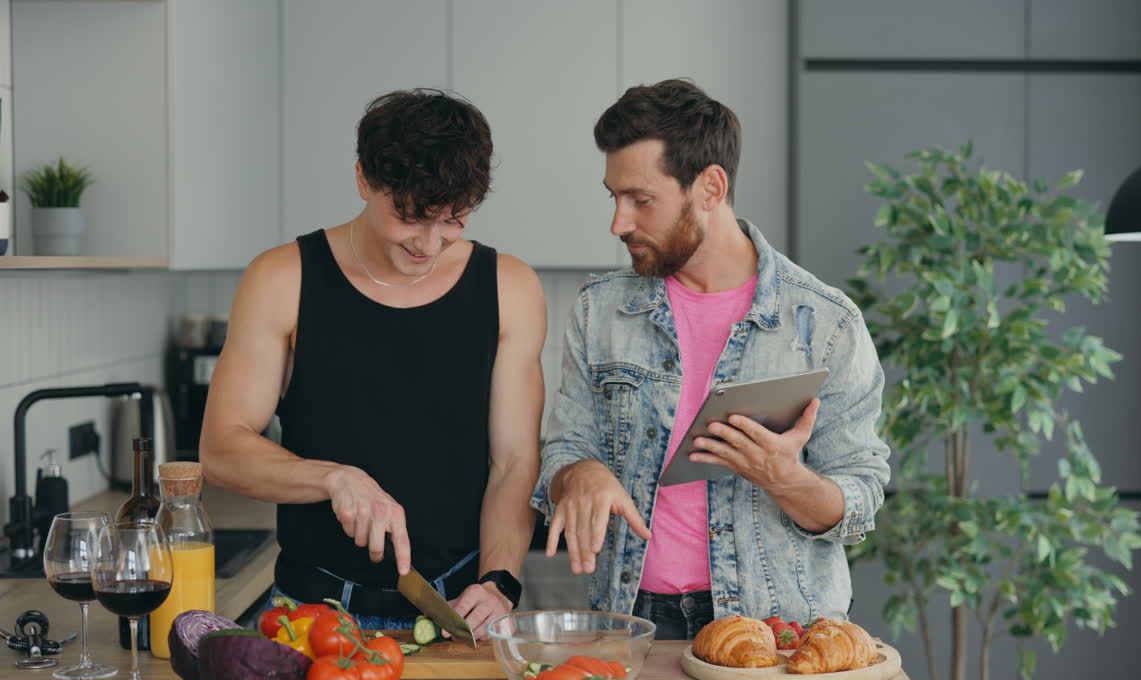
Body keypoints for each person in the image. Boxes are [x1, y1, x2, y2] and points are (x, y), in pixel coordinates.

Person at [531, 79, 890, 640]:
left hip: (775, 628)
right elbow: (564, 451)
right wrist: (579, 474)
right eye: (614, 197)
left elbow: (860, 497)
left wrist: (786, 479)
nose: (619, 223)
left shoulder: (826, 322)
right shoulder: (600, 310)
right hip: (632, 619)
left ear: (710, 187)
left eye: (641, 200)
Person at [202, 89, 546, 636]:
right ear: (364, 179)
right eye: (410, 217)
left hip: (458, 610)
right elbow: (221, 451)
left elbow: (514, 461)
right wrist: (333, 478)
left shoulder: (509, 287)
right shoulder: (283, 279)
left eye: (454, 220)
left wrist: (498, 579)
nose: (429, 243)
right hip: (311, 611)